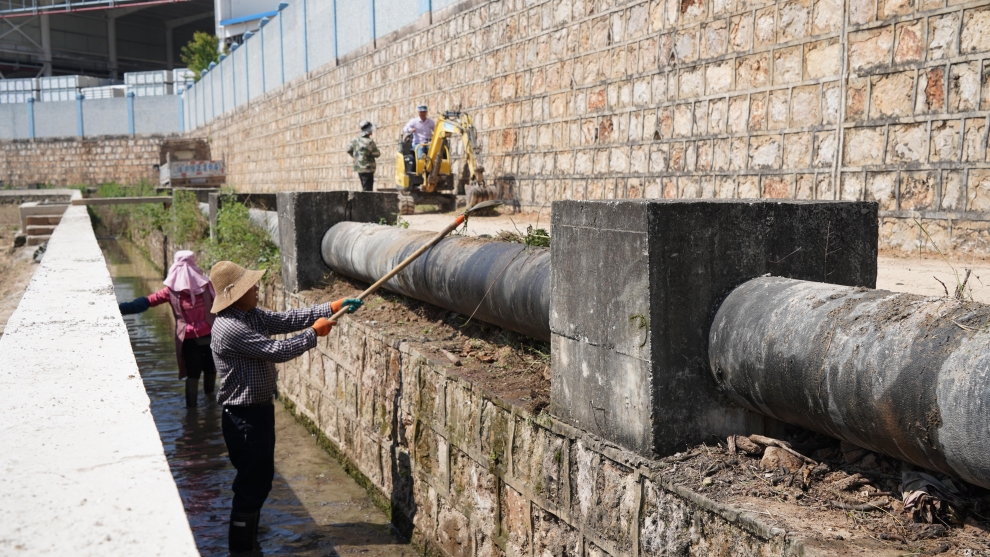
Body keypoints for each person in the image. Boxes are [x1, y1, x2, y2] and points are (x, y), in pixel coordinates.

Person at [208, 260, 363, 553]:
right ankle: (242, 548)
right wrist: (314, 334)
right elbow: (277, 351)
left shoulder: (251, 314)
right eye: (249, 286)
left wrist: (330, 306)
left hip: (259, 412)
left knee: (262, 480)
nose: (255, 289)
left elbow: (288, 320)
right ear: (235, 294)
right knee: (251, 484)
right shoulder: (229, 328)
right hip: (243, 418)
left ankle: (249, 541)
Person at [118, 250, 217, 408]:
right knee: (211, 369)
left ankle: (191, 413)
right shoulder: (206, 287)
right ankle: (211, 406)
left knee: (193, 374)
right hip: (210, 336)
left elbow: (147, 302)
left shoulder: (171, 291)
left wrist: (120, 308)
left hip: (188, 339)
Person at [346, 120, 381, 192]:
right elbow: (377, 154)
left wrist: (357, 157)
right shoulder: (369, 141)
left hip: (359, 167)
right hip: (368, 168)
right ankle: (365, 203)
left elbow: (348, 149)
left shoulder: (356, 140)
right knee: (367, 190)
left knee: (364, 186)